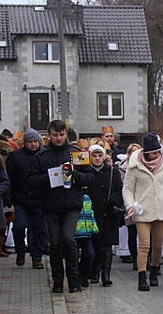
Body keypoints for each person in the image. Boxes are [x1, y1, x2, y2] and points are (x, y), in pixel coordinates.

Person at [28, 120, 96, 293]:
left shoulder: (75, 153)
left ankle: (74, 279)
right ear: (49, 135)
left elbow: (90, 177)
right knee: (56, 243)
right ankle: (58, 281)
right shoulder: (42, 156)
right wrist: (51, 177)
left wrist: (75, 175)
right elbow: (31, 181)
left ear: (66, 134)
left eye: (61, 134)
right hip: (50, 206)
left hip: (72, 204)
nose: (58, 138)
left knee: (68, 239)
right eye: (55, 135)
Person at [122, 133, 163, 291]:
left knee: (158, 245)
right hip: (142, 210)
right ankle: (142, 276)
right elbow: (127, 189)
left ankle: (155, 269)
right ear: (146, 153)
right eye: (153, 153)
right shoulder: (134, 166)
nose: (156, 155)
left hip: (161, 209)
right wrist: (130, 204)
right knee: (144, 245)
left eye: (158, 152)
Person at [5, 129, 46, 268]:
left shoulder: (43, 156)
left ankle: (37, 257)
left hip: (39, 199)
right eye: (30, 142)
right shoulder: (15, 157)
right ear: (25, 143)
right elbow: (9, 178)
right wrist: (8, 197)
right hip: (20, 199)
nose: (33, 144)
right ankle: (20, 250)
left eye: (35, 142)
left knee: (39, 229)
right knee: (19, 226)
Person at [85, 144, 124, 286]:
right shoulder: (86, 172)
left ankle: (106, 273)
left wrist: (113, 200)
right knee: (94, 244)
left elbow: (119, 190)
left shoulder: (112, 172)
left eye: (99, 156)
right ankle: (94, 271)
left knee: (106, 246)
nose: (97, 159)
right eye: (94, 156)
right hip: (91, 213)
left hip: (108, 213)